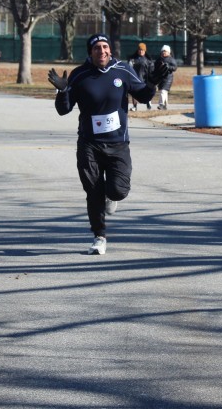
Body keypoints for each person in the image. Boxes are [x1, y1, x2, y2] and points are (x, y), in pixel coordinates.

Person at [48, 34, 163, 255]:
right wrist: (62, 91)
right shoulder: (79, 74)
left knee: (118, 191)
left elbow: (144, 95)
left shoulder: (122, 70)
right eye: (97, 48)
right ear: (90, 52)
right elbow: (63, 110)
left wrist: (152, 82)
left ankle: (112, 196)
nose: (101, 51)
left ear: (110, 50)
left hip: (118, 143)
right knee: (93, 191)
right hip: (89, 144)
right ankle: (99, 236)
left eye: (105, 47)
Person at [128, 43, 153, 111]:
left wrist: (151, 78)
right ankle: (134, 106)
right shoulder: (133, 59)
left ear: (145, 51)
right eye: (139, 50)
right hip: (135, 79)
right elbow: (129, 68)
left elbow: (151, 70)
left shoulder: (148, 60)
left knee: (146, 93)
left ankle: (148, 104)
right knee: (134, 93)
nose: (141, 51)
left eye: (142, 50)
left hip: (145, 80)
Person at [153, 45, 177, 110]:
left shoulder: (171, 59)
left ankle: (161, 104)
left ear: (169, 52)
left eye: (165, 51)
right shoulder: (159, 59)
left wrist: (168, 67)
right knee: (163, 91)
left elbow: (175, 68)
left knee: (163, 91)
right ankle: (165, 105)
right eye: (162, 51)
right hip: (160, 78)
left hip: (168, 78)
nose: (163, 52)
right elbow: (155, 67)